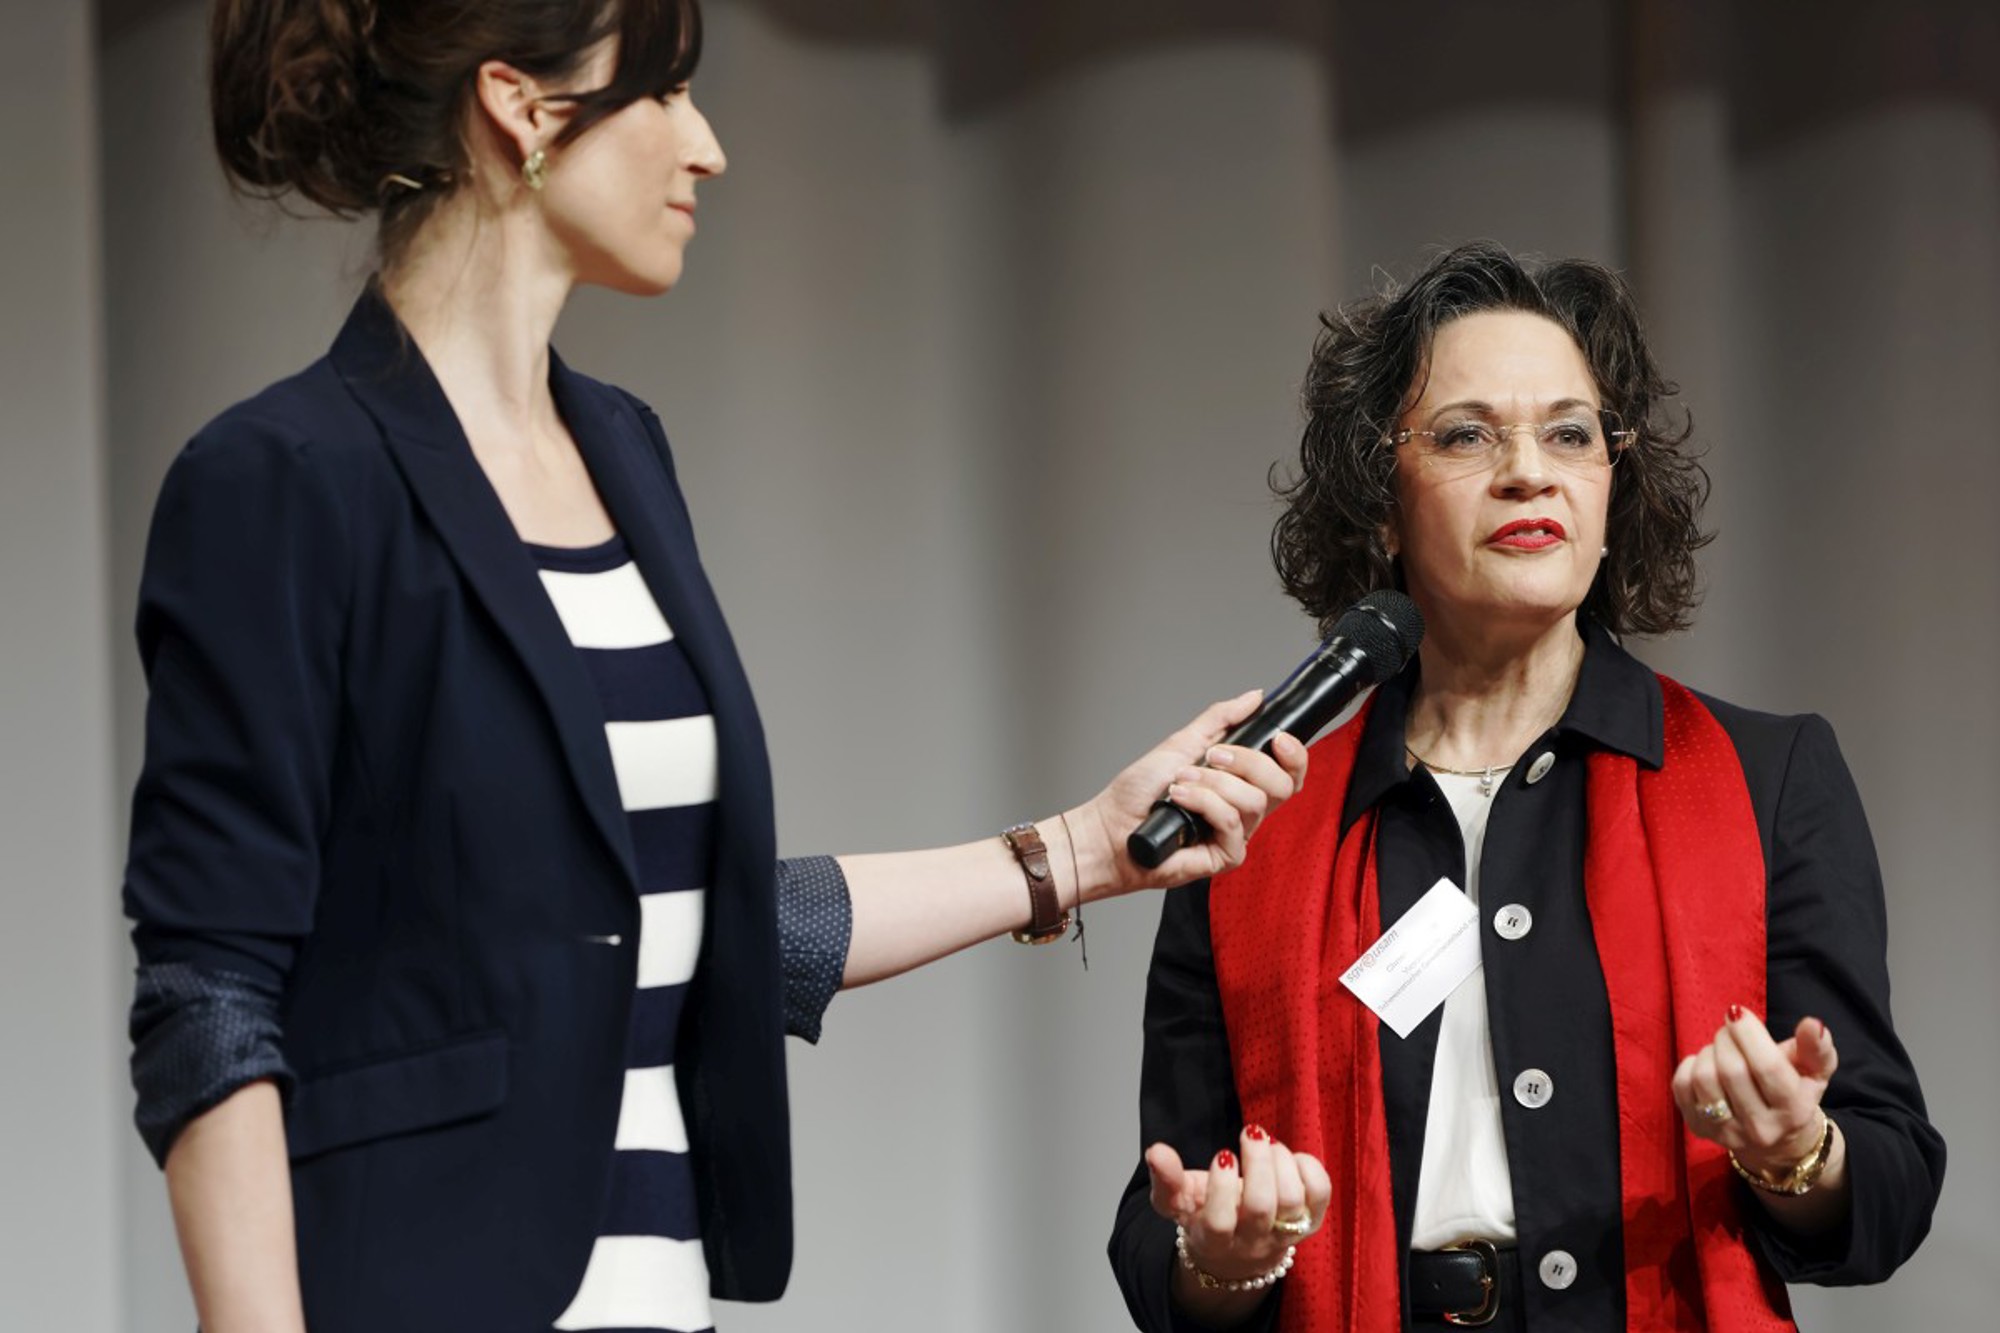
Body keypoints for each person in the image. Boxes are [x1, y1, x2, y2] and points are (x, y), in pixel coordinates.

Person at [123, 4, 1311, 1332]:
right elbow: (209, 992)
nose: (707, 146)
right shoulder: (282, 480)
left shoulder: (624, 453)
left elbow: (692, 923)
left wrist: (1084, 846)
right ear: (522, 105)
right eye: (666, 90)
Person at [1107, 241, 1944, 1331]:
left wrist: (1797, 1151)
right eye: (1465, 435)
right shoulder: (1251, 820)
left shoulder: (1766, 777)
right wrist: (1224, 1258)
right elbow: (1157, 1228)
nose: (1528, 472)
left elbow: (1888, 1183)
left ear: (1612, 482)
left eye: (1569, 433)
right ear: (1379, 503)